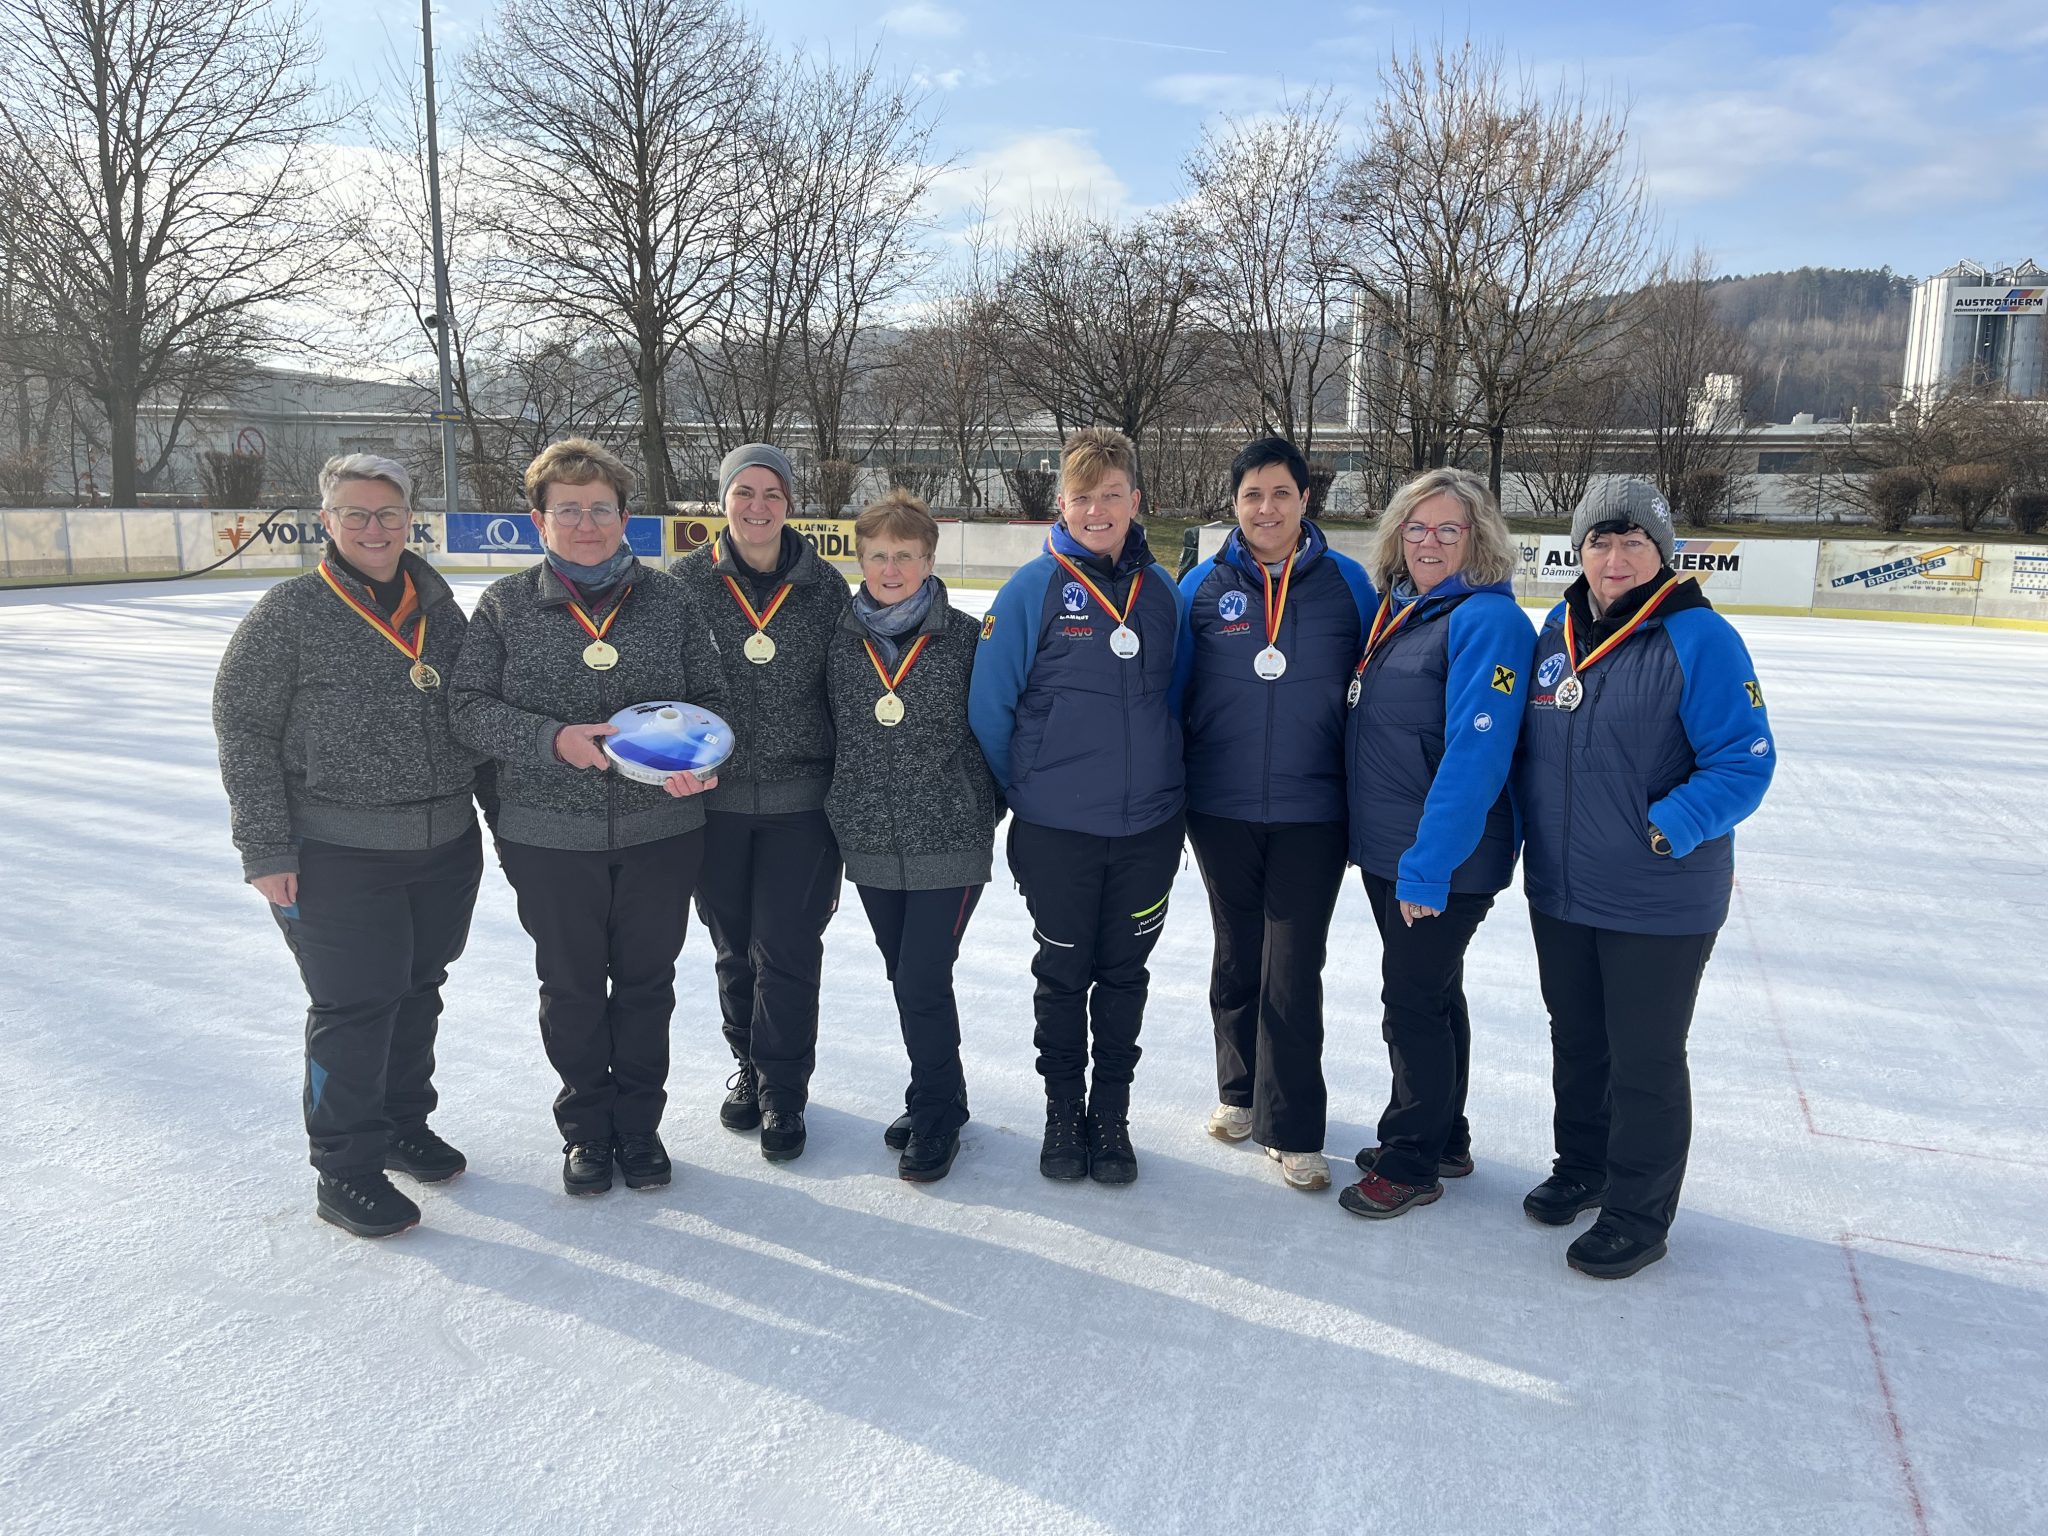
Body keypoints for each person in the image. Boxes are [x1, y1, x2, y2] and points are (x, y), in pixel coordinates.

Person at [214, 454, 491, 1238]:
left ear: (412, 520)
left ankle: (403, 1123)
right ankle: (345, 1168)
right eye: (356, 515)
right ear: (327, 522)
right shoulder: (290, 612)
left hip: (442, 843)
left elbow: (472, 718)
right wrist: (266, 849)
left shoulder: (439, 608)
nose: (375, 529)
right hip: (336, 850)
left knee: (418, 989)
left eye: (389, 514)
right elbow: (244, 731)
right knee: (354, 1006)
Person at [449, 437, 722, 1197]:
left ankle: (639, 1129)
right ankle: (585, 1132)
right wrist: (550, 740)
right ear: (539, 520)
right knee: (570, 988)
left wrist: (701, 762)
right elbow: (468, 710)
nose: (586, 522)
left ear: (626, 517)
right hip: (546, 837)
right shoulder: (504, 605)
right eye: (568, 509)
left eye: (600, 508)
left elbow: (714, 703)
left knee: (645, 985)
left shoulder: (671, 600)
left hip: (661, 836)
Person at [1516, 478, 1775, 1278]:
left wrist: (1666, 828)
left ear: (1663, 552)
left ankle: (1638, 1211)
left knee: (1646, 1057)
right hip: (1562, 887)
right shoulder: (1554, 633)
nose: (1616, 556)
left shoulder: (1700, 637)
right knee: (1579, 1041)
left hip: (1659, 894)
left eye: (1634, 541)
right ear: (1579, 549)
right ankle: (1585, 1165)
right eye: (1601, 540)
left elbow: (1746, 762)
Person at [970, 426, 1190, 1185]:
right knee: (1064, 976)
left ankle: (1113, 1115)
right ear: (1061, 503)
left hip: (1148, 831)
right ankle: (1065, 1111)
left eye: (1112, 495)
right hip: (1058, 829)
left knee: (1125, 976)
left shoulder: (1162, 593)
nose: (1097, 510)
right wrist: (1030, 787)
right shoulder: (1032, 590)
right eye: (1082, 496)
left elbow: (1180, 696)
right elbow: (990, 707)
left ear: (1136, 500)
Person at [1177, 436, 1376, 1192]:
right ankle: (1238, 1089)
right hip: (1220, 805)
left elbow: (1374, 691)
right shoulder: (1201, 585)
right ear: (1234, 504)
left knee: (1292, 967)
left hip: (1313, 809)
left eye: (1282, 494)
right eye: (1253, 495)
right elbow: (1174, 696)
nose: (1267, 508)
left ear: (1305, 501)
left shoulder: (1348, 585)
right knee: (1237, 953)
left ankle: (1292, 1127)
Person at [1335, 468, 1535, 1221]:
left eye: (1449, 529)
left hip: (1441, 856)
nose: (1430, 541)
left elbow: (1475, 756)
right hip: (1394, 847)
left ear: (1477, 538)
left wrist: (1428, 866)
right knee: (1436, 994)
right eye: (1418, 528)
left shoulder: (1487, 622)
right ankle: (1444, 1135)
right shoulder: (1409, 610)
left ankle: (1412, 1159)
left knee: (1412, 1002)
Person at [669, 443, 850, 1162]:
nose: (757, 506)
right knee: (733, 950)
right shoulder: (682, 583)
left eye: (771, 493)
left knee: (789, 949)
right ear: (723, 500)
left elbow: (849, 694)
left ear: (789, 503)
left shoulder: (826, 588)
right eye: (744, 491)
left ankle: (783, 1090)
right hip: (711, 806)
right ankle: (747, 1062)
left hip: (801, 805)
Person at [824, 490, 1000, 1182]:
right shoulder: (838, 640)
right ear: (860, 559)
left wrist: (977, 806)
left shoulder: (964, 636)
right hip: (868, 836)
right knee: (906, 976)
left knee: (923, 977)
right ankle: (941, 1094)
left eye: (905, 555)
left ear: (929, 560)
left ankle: (935, 1114)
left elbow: (994, 728)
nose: (890, 568)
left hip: (947, 839)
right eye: (877, 556)